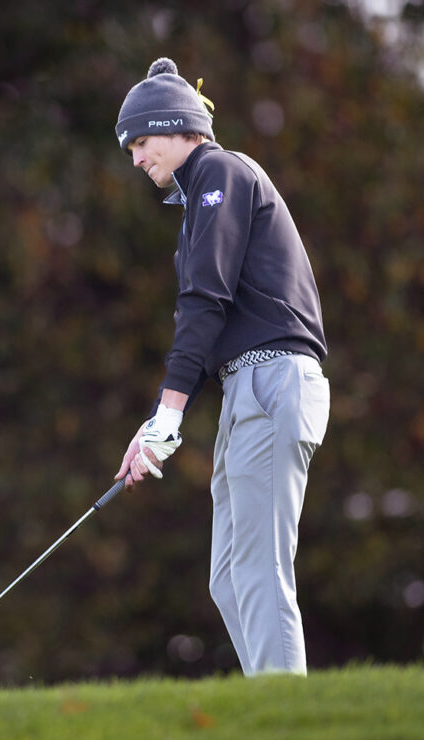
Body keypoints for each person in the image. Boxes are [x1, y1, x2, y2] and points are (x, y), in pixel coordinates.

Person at [111, 58, 330, 676]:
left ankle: (290, 726)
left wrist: (167, 414)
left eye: (141, 142)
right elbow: (207, 330)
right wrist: (158, 424)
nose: (135, 159)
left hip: (273, 380)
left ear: (177, 128)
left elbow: (203, 301)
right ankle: (274, 704)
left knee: (259, 571)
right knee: (230, 576)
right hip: (247, 389)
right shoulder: (202, 197)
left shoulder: (221, 172)